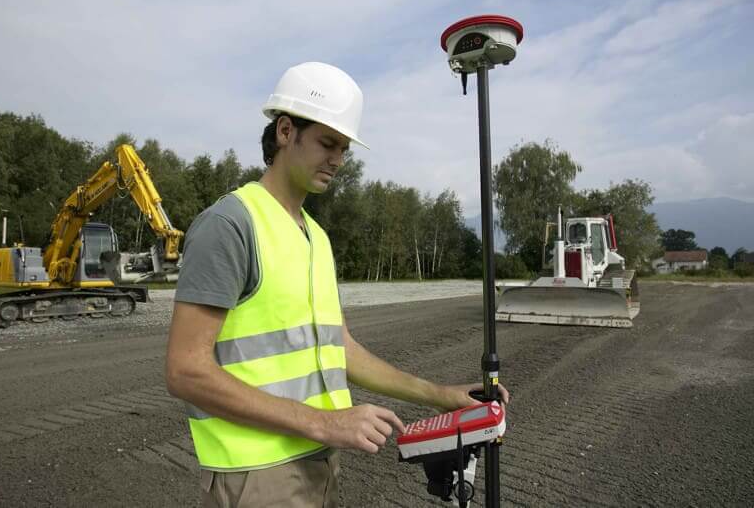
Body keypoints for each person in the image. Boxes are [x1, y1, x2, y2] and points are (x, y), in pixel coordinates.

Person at [165, 61, 509, 508]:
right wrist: (325, 423)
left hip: (319, 463)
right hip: (255, 477)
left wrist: (438, 395)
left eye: (344, 148)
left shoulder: (315, 236)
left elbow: (339, 348)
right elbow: (185, 369)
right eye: (328, 143)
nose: (338, 160)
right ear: (285, 132)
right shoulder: (230, 225)